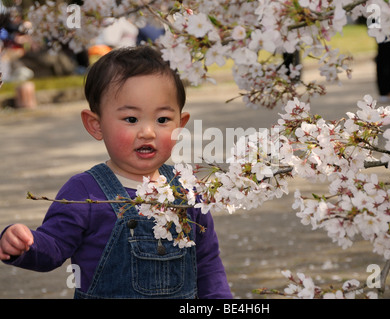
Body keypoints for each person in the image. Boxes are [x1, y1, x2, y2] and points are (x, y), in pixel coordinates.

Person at [0, 45, 233, 299]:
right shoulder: (85, 191)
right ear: (96, 125)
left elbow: (208, 264)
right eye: (131, 119)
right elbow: (54, 247)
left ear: (181, 124)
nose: (148, 132)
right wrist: (25, 245)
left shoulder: (187, 190)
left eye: (163, 120)